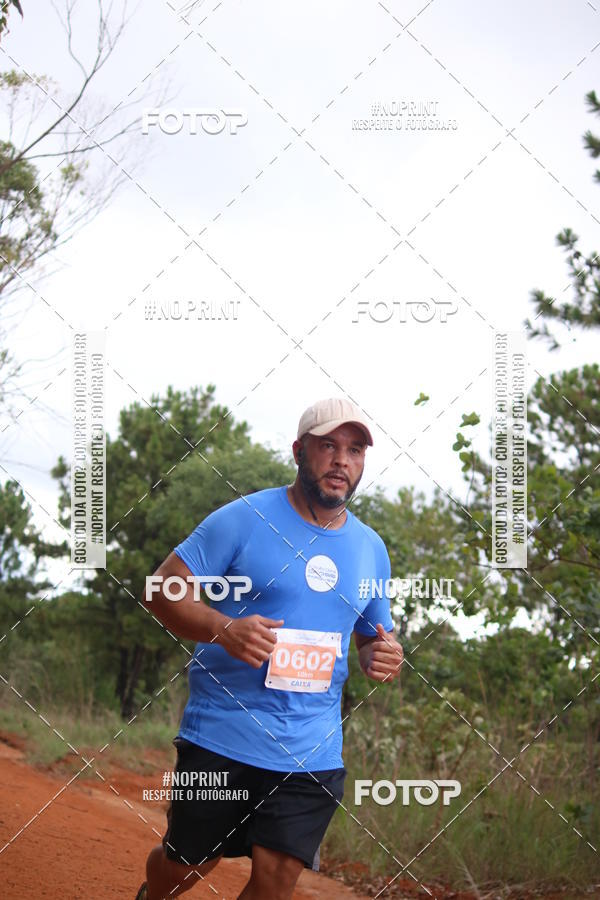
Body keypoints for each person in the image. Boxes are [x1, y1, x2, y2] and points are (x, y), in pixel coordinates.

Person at [135, 397, 404, 900]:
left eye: (355, 450)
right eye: (328, 446)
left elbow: (371, 634)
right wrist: (223, 628)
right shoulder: (244, 518)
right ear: (300, 451)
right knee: (189, 865)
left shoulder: (370, 547)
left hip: (311, 745)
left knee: (277, 879)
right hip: (222, 734)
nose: (342, 460)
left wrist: (381, 654)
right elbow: (161, 588)